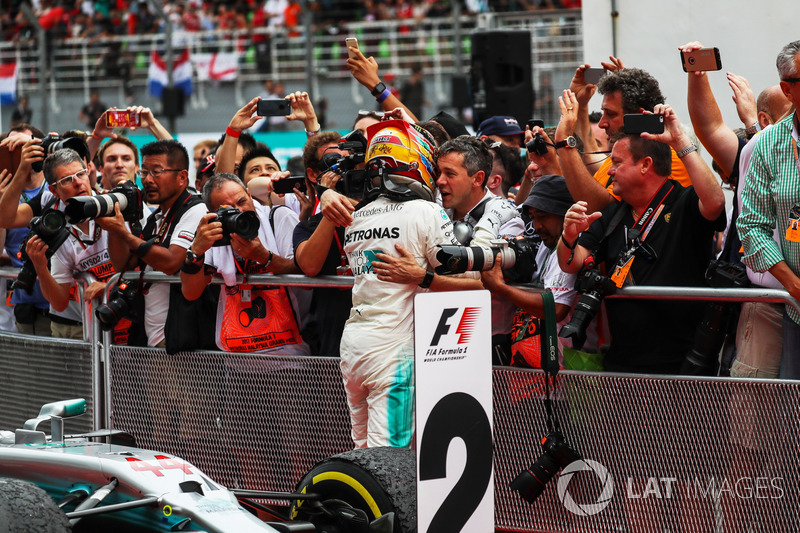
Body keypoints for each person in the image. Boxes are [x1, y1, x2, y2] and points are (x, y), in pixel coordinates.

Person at [557, 105, 725, 374]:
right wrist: (568, 235)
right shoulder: (612, 213)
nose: (609, 171)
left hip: (682, 364)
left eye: (617, 162)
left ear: (646, 164)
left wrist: (681, 141)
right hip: (622, 362)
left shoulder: (682, 202)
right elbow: (571, 262)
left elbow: (716, 202)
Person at [339, 119, 459, 448]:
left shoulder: (355, 217)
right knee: (389, 464)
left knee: (361, 454)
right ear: (415, 161)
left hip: (354, 348)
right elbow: (464, 277)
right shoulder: (427, 212)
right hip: (393, 353)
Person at [101, 139, 207, 348]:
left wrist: (124, 233)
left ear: (182, 177)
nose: (147, 180)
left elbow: (172, 262)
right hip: (152, 337)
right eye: (144, 173)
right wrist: (115, 227)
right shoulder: (156, 217)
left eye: (157, 172)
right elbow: (124, 265)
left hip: (178, 341)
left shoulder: (196, 210)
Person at [738, 39, 800, 380]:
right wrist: (793, 285)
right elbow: (752, 227)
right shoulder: (767, 145)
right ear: (787, 89)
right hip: (796, 308)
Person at [436, 135, 525, 364]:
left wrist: (424, 277)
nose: (439, 181)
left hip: (488, 340)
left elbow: (488, 282)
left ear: (478, 179)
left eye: (450, 174)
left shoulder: (507, 217)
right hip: (437, 336)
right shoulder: (433, 212)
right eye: (438, 173)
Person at [559, 61, 692, 213]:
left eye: (611, 114)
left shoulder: (665, 156)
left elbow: (598, 208)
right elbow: (590, 158)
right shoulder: (630, 150)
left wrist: (564, 143)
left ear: (637, 115)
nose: (602, 124)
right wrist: (581, 104)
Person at [481, 174, 580, 368]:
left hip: (565, 368)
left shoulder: (574, 247)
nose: (536, 226)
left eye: (543, 216)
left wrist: (501, 288)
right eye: (533, 217)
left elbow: (557, 309)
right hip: (531, 366)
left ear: (565, 213)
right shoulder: (545, 243)